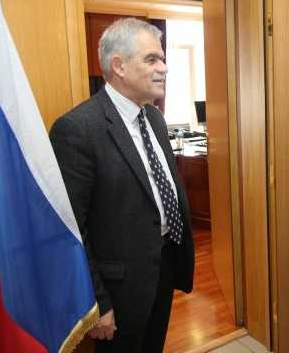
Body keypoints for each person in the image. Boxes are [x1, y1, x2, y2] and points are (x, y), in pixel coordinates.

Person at [50, 18, 194, 353]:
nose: (164, 68)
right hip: (117, 287)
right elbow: (71, 229)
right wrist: (98, 302)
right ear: (119, 66)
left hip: (162, 267)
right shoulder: (77, 130)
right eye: (151, 59)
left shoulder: (154, 118)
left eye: (162, 58)